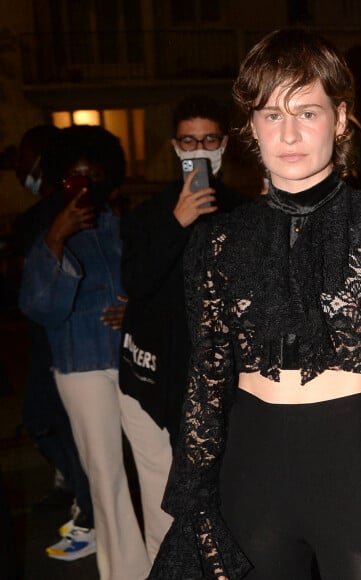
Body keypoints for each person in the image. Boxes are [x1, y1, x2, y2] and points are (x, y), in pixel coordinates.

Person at [150, 28, 361, 580]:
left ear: (340, 119)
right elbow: (205, 379)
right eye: (272, 114)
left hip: (354, 466)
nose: (289, 133)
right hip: (251, 465)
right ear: (250, 127)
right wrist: (195, 492)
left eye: (308, 112)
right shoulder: (216, 241)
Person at [18, 125, 162, 579]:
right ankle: (126, 573)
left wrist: (137, 309)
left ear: (109, 176)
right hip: (80, 367)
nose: (84, 183)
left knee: (162, 464)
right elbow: (40, 308)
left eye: (93, 173)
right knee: (105, 479)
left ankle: (171, 564)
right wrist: (55, 240)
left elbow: (153, 288)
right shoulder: (45, 228)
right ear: (61, 178)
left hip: (133, 359)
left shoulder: (125, 227)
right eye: (74, 175)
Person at [119, 95, 247, 450]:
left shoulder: (245, 210)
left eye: (209, 140)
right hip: (175, 371)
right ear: (176, 147)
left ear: (223, 144)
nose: (199, 149)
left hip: (232, 370)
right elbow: (137, 282)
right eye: (189, 141)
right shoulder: (149, 215)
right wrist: (177, 224)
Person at [12, 125, 94, 559]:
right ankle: (83, 501)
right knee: (57, 424)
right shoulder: (43, 217)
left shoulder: (61, 215)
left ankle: (88, 511)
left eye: (24, 158)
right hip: (57, 345)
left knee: (68, 427)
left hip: (76, 349)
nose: (18, 168)